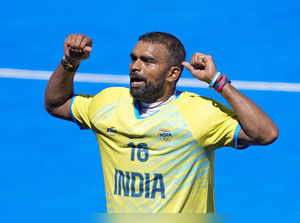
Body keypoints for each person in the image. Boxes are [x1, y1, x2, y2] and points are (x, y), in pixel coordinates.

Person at [44, 32, 278, 213]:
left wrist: (217, 81)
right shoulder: (109, 103)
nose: (135, 67)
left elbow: (265, 133)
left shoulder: (199, 114)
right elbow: (56, 103)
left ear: (173, 73)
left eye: (147, 61)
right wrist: (69, 62)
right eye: (134, 59)